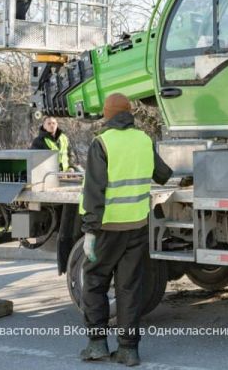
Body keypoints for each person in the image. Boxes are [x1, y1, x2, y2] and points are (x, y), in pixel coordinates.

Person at [79, 93, 173, 366]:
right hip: (137, 226)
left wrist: (89, 231)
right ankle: (128, 350)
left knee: (94, 281)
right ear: (129, 113)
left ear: (107, 114)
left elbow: (94, 191)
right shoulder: (143, 140)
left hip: (107, 228)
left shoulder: (102, 143)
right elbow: (163, 175)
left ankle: (97, 344)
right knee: (129, 287)